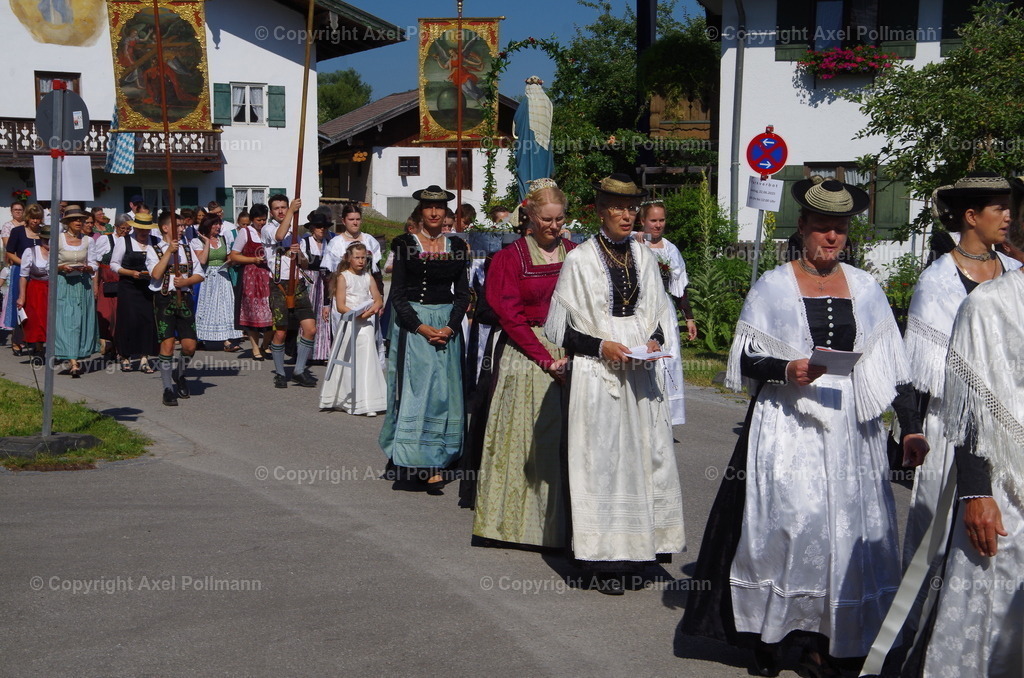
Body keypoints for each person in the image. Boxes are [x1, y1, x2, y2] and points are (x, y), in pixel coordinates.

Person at [680, 176, 924, 676]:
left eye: (840, 229)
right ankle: (773, 634)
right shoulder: (773, 286)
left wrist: (911, 428)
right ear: (803, 229)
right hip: (789, 425)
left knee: (848, 532)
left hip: (851, 432)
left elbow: (890, 366)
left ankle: (829, 639)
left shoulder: (866, 287)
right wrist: (785, 369)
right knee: (789, 527)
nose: (832, 238)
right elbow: (745, 359)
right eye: (822, 228)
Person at [904, 176, 1024, 678]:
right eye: (996, 208)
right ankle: (915, 643)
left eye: (1009, 207)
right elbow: (935, 375)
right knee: (947, 553)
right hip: (956, 426)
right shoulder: (942, 284)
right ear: (970, 216)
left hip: (999, 421)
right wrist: (915, 428)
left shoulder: (1012, 271)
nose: (1007, 216)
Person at [544, 174, 685, 595]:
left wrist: (655, 340)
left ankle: (640, 551)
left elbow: (659, 312)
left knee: (645, 458)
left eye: (632, 209)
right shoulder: (580, 260)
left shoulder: (644, 257)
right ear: (602, 211)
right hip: (597, 374)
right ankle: (603, 559)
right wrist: (602, 344)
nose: (627, 215)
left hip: (639, 375)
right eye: (619, 208)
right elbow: (561, 330)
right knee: (602, 463)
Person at [471, 178, 576, 548]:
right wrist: (546, 360)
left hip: (571, 347)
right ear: (529, 217)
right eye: (546, 219)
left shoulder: (575, 253)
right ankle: (518, 525)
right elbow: (509, 315)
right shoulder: (509, 257)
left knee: (570, 439)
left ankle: (569, 525)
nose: (554, 226)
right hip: (526, 352)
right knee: (528, 439)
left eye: (559, 219)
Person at [379, 185, 471, 492]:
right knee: (418, 392)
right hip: (414, 326)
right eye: (428, 208)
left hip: (447, 325)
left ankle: (438, 460)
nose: (434, 213)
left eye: (440, 208)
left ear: (447, 213)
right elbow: (398, 295)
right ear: (420, 211)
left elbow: (462, 294)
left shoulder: (457, 245)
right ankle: (411, 460)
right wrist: (420, 327)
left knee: (445, 394)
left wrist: (450, 326)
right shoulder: (405, 244)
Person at [637, 200, 696, 426]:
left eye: (661, 220)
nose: (658, 225)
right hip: (639, 310)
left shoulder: (670, 249)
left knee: (666, 360)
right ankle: (643, 415)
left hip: (665, 310)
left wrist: (688, 318)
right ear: (643, 221)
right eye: (653, 220)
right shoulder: (634, 243)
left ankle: (664, 418)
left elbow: (680, 288)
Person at [319, 242, 386, 414]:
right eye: (357, 257)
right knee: (348, 359)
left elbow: (377, 299)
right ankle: (347, 398)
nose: (361, 261)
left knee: (367, 360)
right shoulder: (343, 277)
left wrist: (372, 309)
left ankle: (368, 400)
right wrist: (357, 314)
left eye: (363, 257)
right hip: (350, 323)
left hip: (367, 324)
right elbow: (340, 305)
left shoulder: (368, 277)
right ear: (349, 258)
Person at [148, 211, 204, 406]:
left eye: (182, 226)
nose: (182, 229)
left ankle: (179, 373)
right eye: (178, 226)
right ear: (165, 228)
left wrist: (186, 280)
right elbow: (155, 274)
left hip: (185, 298)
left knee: (189, 346)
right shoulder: (153, 249)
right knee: (168, 345)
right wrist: (169, 253)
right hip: (163, 299)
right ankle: (167, 388)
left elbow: (199, 274)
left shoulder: (187, 248)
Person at [264, 195, 317, 388]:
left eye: (284, 207)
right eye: (276, 208)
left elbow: (305, 263)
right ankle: (279, 373)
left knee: (310, 329)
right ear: (271, 212)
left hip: (299, 284)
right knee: (281, 333)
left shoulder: (298, 235)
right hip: (279, 285)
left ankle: (299, 370)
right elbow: (279, 236)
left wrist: (299, 254)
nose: (280, 211)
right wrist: (292, 211)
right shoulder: (268, 229)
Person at [109, 212, 160, 372]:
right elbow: (114, 264)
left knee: (148, 320)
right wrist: (130, 273)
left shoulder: (155, 242)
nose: (144, 233)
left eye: (147, 230)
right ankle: (125, 355)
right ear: (135, 228)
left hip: (148, 286)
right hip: (129, 286)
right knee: (128, 320)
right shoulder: (124, 241)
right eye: (141, 230)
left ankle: (145, 358)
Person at [53, 206, 99, 377]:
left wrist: (88, 267)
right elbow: (48, 266)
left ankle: (76, 358)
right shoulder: (57, 239)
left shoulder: (88, 241)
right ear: (67, 223)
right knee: (67, 321)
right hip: (64, 283)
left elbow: (95, 264)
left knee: (80, 320)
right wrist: (61, 267)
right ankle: (73, 361)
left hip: (82, 283)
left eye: (80, 219)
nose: (79, 222)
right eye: (75, 220)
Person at [228, 206, 272, 361]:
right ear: (252, 220)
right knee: (252, 313)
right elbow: (234, 256)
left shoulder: (269, 231)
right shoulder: (245, 232)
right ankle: (255, 348)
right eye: (258, 220)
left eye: (264, 219)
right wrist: (253, 260)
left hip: (268, 275)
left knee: (271, 311)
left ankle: (265, 345)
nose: (261, 222)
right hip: (251, 276)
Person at [194, 214, 241, 351]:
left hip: (223, 276)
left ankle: (226, 339)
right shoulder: (197, 241)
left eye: (219, 224)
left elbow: (227, 257)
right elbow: (202, 260)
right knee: (207, 307)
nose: (218, 227)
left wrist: (230, 261)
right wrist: (207, 242)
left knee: (225, 307)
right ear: (207, 224)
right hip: (207, 278)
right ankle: (200, 337)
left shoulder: (223, 239)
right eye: (215, 224)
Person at [6, 204, 44, 356]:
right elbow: (10, 253)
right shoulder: (18, 231)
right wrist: (25, 264)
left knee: (37, 308)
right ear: (27, 218)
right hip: (21, 273)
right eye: (32, 218)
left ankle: (37, 342)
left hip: (39, 275)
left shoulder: (43, 232)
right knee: (22, 305)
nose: (35, 221)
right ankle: (18, 340)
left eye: (37, 218)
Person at [91, 215, 132, 359]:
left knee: (121, 317)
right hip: (108, 284)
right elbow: (97, 264)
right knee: (107, 316)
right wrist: (95, 286)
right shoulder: (105, 239)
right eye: (123, 228)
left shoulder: (131, 241)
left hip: (124, 283)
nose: (126, 231)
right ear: (116, 227)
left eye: (128, 228)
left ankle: (120, 346)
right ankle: (111, 344)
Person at [297, 211, 332, 362]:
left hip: (324, 280)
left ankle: (321, 352)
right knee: (307, 315)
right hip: (308, 280)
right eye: (318, 227)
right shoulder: (305, 242)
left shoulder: (329, 244)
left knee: (323, 315)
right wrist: (300, 254)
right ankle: (304, 352)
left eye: (324, 227)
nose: (322, 229)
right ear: (312, 228)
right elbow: (302, 263)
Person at [15, 221, 52, 355]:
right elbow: (24, 276)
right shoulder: (30, 252)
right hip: (37, 289)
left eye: (51, 239)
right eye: (45, 239)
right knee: (38, 319)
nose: (48, 242)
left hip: (54, 289)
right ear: (41, 239)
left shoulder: (58, 253)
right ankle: (39, 347)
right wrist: (22, 296)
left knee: (53, 318)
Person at [1, 202, 27, 346]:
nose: (18, 212)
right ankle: (16, 335)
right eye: (15, 210)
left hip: (30, 266)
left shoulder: (28, 225)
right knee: (15, 299)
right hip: (15, 264)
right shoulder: (8, 226)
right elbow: (8, 245)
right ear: (11, 212)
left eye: (20, 210)